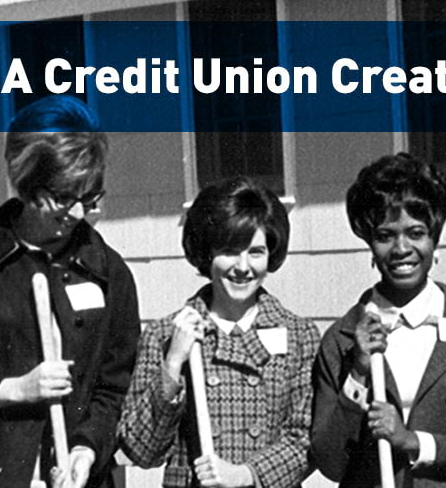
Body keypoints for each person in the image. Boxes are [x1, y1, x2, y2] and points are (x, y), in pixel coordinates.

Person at [0, 95, 140, 488]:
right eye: (63, 198)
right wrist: (15, 389)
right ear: (26, 184)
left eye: (91, 199)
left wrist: (86, 450)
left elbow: (116, 386)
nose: (78, 214)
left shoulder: (108, 270)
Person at [118, 176, 317, 488]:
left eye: (255, 252)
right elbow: (142, 452)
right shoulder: (164, 335)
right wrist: (172, 365)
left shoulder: (299, 336)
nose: (242, 266)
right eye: (229, 250)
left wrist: (246, 474)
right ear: (207, 252)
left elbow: (306, 439)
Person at [310, 154, 446, 488]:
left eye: (416, 232)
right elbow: (330, 462)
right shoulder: (342, 339)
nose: (401, 248)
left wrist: (412, 441)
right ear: (368, 240)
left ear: (435, 236)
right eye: (385, 235)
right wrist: (359, 372)